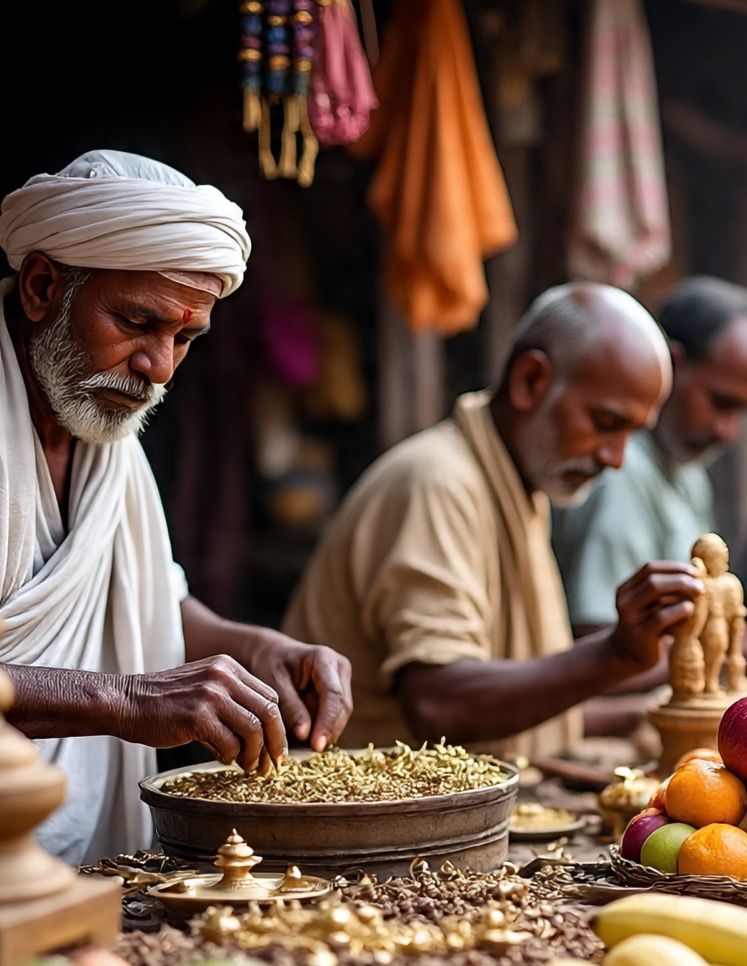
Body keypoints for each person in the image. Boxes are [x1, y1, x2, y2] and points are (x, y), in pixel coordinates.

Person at [0, 151, 353, 880]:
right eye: (137, 322)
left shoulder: (104, 432)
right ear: (40, 288)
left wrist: (256, 649)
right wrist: (120, 701)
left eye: (185, 339)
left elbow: (145, 601)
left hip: (66, 873)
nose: (159, 365)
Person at [282, 282, 704, 761]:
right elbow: (439, 702)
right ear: (529, 381)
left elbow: (511, 702)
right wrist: (615, 656)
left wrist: (632, 715)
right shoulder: (439, 482)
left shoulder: (523, 485)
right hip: (372, 822)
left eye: (633, 434)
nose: (616, 458)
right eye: (606, 423)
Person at [552, 277, 747, 630]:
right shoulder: (619, 470)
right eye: (720, 403)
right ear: (672, 365)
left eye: (742, 413)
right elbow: (599, 639)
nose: (727, 431)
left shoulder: (688, 475)